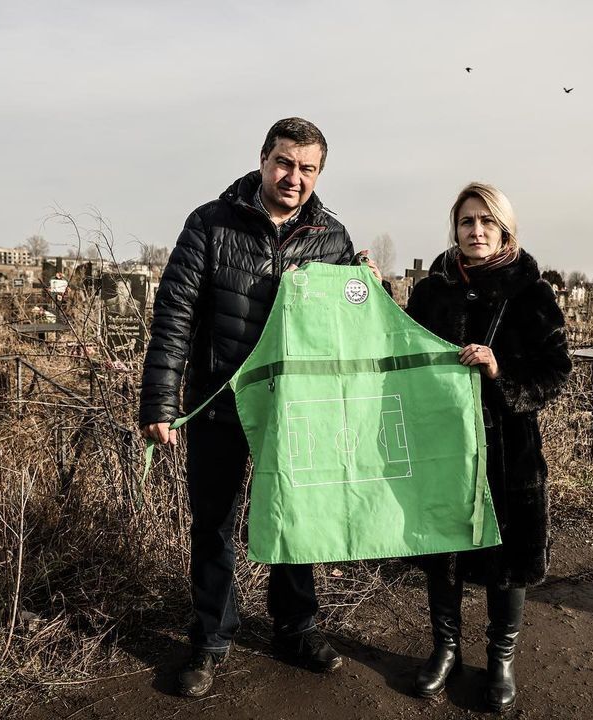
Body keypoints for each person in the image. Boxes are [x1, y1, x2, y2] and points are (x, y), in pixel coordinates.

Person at [139, 118, 382, 698]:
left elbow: (350, 326)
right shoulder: (210, 223)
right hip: (219, 401)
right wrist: (160, 400)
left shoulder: (331, 235)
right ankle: (210, 640)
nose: (292, 177)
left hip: (296, 410)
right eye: (284, 162)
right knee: (214, 523)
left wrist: (371, 288)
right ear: (263, 158)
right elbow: (175, 316)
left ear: (319, 173)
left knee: (298, 521)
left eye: (307, 168)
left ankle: (295, 629)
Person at [404, 182, 571, 713]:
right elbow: (403, 353)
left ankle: (500, 658)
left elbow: (555, 372)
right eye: (466, 222)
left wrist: (501, 372)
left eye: (486, 223)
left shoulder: (531, 293)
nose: (475, 232)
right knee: (445, 554)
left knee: (509, 556)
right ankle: (445, 649)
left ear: (504, 230)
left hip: (509, 449)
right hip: (445, 446)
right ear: (454, 228)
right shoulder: (432, 292)